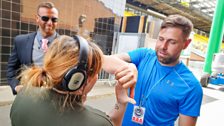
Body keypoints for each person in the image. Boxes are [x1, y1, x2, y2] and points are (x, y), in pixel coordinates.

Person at [10, 35, 136, 126]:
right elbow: (113, 122)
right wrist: (121, 103)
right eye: (97, 72)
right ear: (77, 79)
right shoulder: (98, 122)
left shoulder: (23, 95)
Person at [103, 14, 203, 126]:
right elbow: (105, 61)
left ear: (186, 44)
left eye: (172, 42)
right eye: (161, 39)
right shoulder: (144, 55)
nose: (163, 46)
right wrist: (128, 67)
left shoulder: (191, 87)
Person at [7, 2, 59, 95]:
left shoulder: (66, 45)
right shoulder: (21, 41)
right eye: (45, 18)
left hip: (56, 100)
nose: (50, 23)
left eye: (54, 19)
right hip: (28, 97)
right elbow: (11, 69)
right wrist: (16, 86)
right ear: (37, 18)